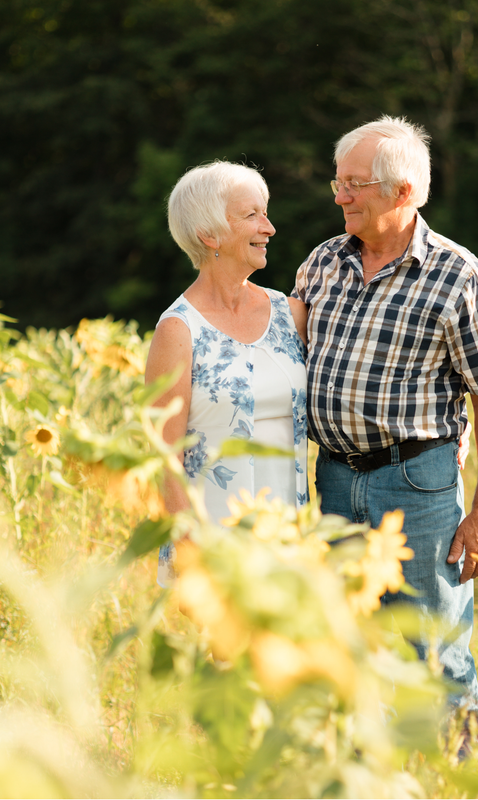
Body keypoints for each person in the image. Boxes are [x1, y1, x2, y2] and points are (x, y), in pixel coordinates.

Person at [292, 116, 478, 715]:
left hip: (418, 484)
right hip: (335, 478)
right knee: (349, 648)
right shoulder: (322, 262)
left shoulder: (458, 275)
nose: (338, 196)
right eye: (338, 182)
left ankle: (452, 779)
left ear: (402, 191)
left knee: (432, 655)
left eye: (354, 184)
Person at [145, 161, 310, 587]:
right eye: (252, 215)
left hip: (290, 536)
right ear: (209, 234)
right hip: (212, 541)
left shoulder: (290, 314)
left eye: (266, 212)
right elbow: (165, 456)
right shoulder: (178, 330)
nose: (269, 227)